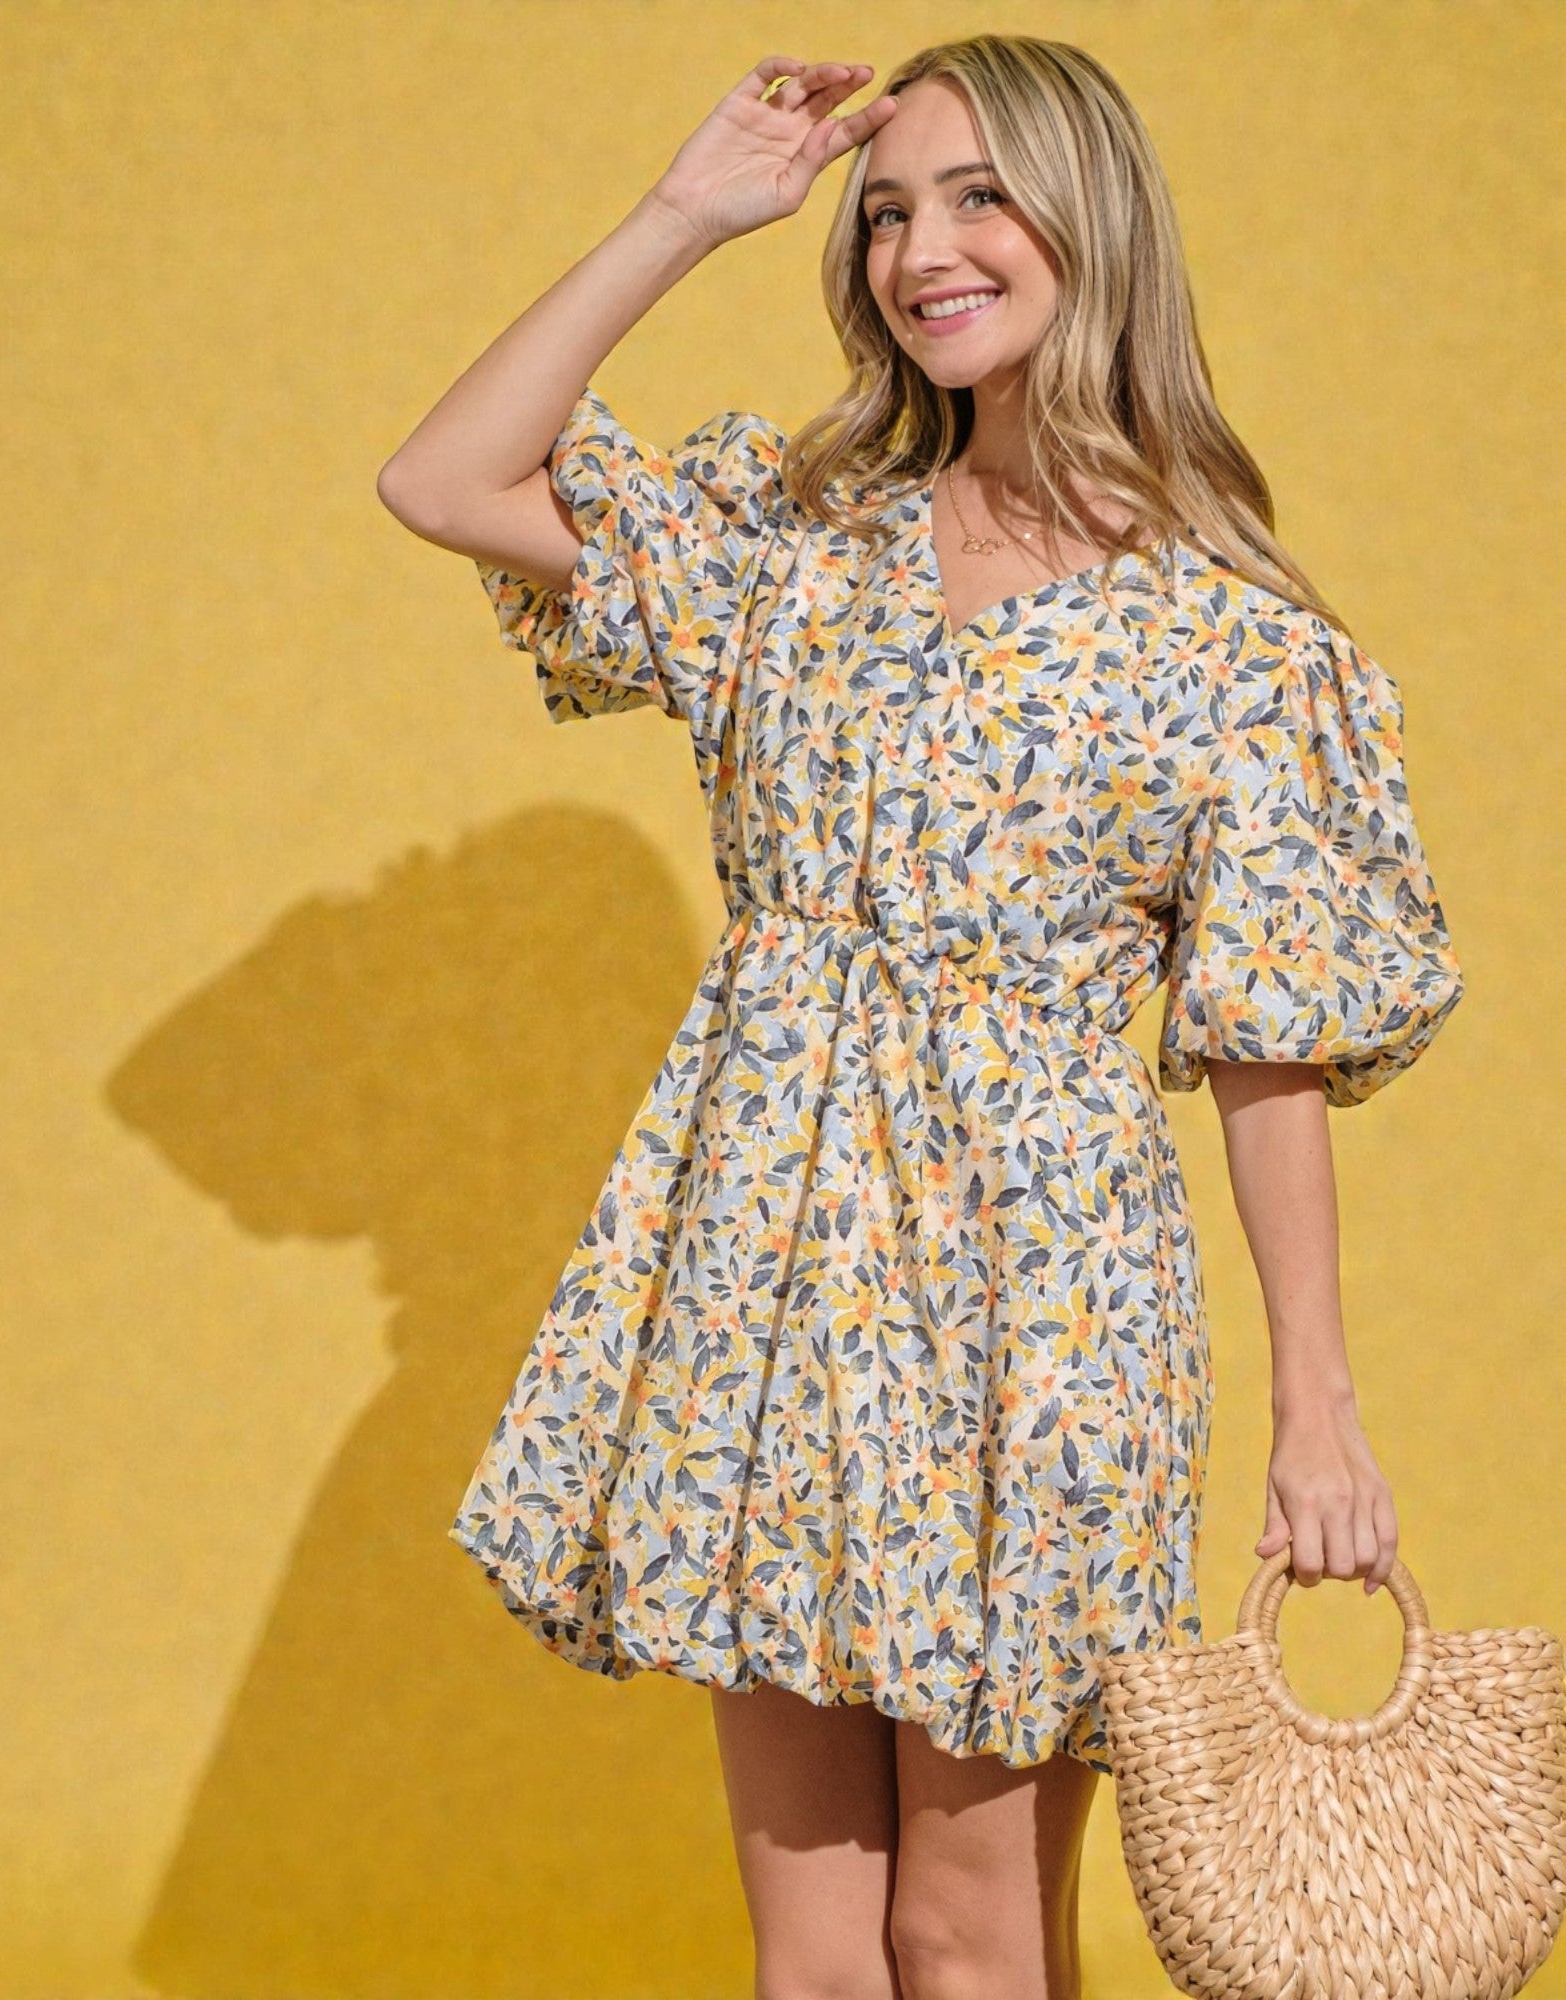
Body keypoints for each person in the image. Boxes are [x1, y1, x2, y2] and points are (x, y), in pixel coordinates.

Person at [377, 35, 1464, 2000]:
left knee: (963, 1938)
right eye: (888, 210)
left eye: (973, 196)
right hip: (768, 1281)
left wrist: (1318, 1406)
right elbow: (445, 477)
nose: (917, 250)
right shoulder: (794, 556)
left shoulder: (1230, 647)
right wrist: (686, 211)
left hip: (1039, 1314)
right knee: (813, 1959)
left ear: (1087, 222)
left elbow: (1265, 1042)